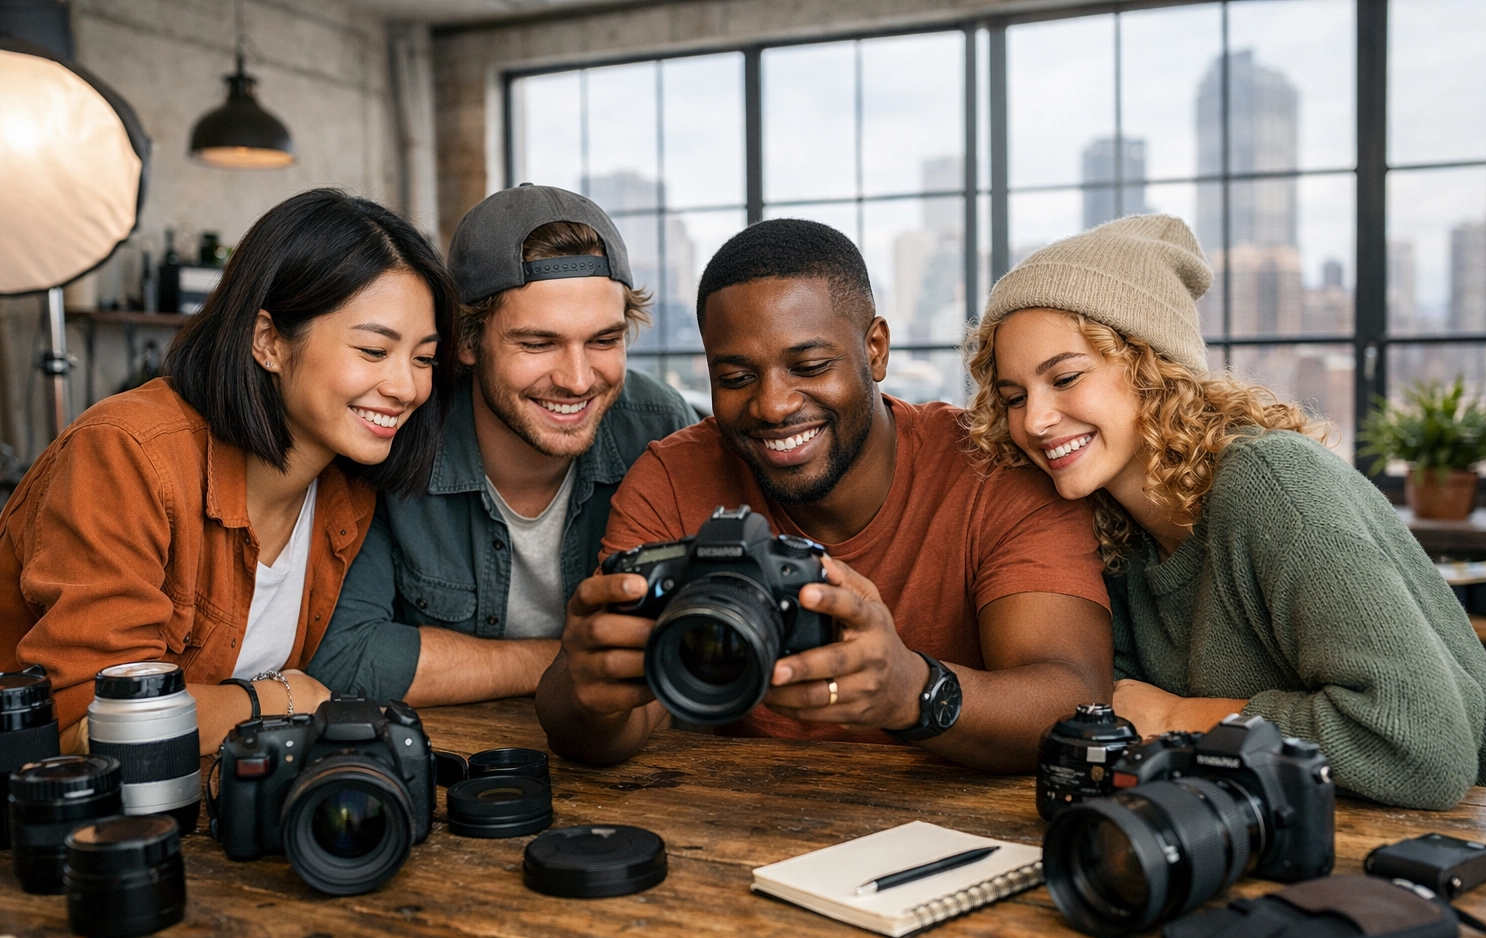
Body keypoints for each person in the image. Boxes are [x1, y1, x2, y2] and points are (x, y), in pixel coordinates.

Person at [967, 212, 1486, 809]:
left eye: (1065, 378)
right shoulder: (1114, 534)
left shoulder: (1272, 484)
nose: (1034, 420)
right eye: (1014, 397)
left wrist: (1174, 714)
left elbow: (1422, 748)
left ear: (1151, 367)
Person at [536, 218, 1113, 772]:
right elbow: (604, 732)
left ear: (876, 349)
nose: (773, 405)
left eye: (809, 366)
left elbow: (1074, 698)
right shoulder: (672, 478)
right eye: (735, 379)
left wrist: (910, 691)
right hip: (738, 827)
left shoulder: (992, 470)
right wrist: (588, 689)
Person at [0, 188, 457, 754]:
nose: (406, 387)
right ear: (268, 341)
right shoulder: (126, 453)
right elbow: (93, 730)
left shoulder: (348, 487)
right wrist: (281, 699)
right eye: (372, 351)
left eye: (423, 358)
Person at [307, 185, 696, 707]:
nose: (578, 380)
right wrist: (576, 662)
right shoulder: (395, 436)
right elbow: (347, 659)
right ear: (467, 341)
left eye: (604, 340)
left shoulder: (659, 427)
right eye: (538, 344)